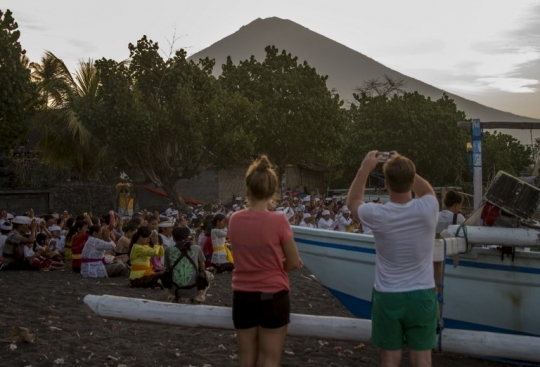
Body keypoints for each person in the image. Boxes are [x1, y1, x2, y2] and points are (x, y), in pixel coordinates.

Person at [346, 151, 439, 367]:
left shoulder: (378, 214)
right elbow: (427, 191)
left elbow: (353, 203)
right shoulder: (428, 209)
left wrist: (364, 169)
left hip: (388, 295)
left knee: (389, 359)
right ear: (411, 180)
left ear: (386, 183)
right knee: (422, 359)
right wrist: (405, 166)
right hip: (422, 293)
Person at [228, 155, 302, 367]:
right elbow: (294, 262)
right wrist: (281, 265)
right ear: (272, 191)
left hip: (242, 295)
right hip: (272, 295)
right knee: (269, 358)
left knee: (246, 356)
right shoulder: (279, 220)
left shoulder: (234, 218)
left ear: (247, 189)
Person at [164, 226, 213, 303]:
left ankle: (172, 296)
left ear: (173, 238)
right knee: (209, 275)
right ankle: (199, 297)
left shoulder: (168, 250)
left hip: (175, 290)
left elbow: (167, 267)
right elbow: (202, 266)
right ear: (188, 236)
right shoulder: (196, 248)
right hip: (193, 290)